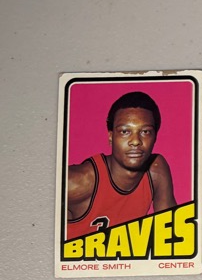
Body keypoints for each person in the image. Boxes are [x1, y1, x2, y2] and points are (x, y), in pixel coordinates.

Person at [67, 91, 176, 239]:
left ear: (155, 137)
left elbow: (171, 236)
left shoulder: (155, 170)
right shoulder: (79, 182)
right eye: (125, 131)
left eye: (145, 132)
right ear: (111, 136)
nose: (135, 141)